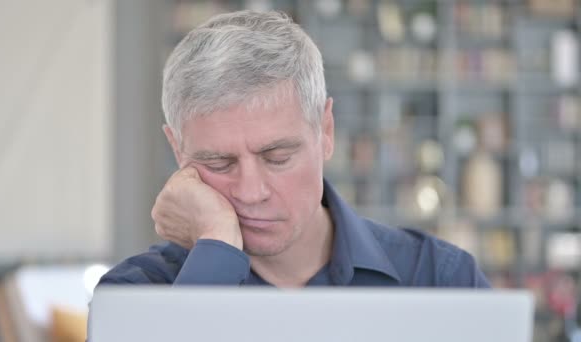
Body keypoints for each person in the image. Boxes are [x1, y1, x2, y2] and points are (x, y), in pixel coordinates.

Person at [98, 10, 490, 288]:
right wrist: (217, 244)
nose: (251, 193)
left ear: (326, 131)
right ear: (178, 149)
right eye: (219, 162)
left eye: (277, 157)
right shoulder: (136, 291)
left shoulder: (440, 278)